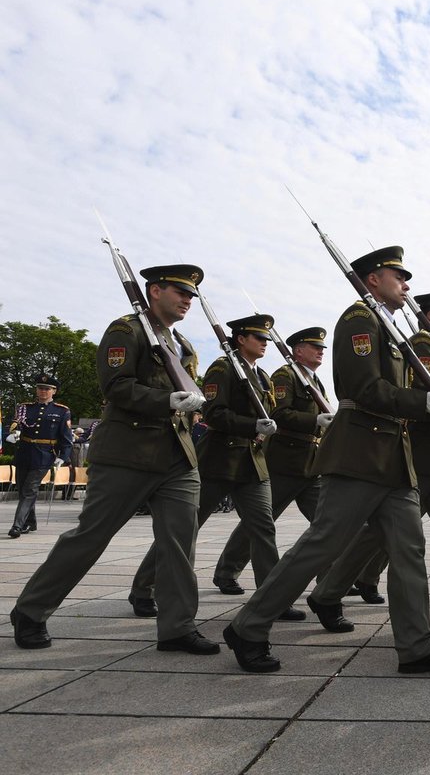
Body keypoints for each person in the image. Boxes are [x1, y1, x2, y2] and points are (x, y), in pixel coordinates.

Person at [223, 246, 430, 675]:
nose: (407, 284)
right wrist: (425, 403)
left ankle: (416, 646)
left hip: (393, 457)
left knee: (410, 550)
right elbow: (363, 388)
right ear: (373, 279)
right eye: (398, 275)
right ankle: (248, 625)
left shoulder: (386, 326)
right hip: (360, 451)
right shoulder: (360, 319)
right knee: (322, 544)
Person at [11, 265, 219, 655]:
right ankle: (31, 610)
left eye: (192, 294)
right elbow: (116, 385)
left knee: (179, 543)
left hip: (178, 455)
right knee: (91, 537)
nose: (188, 299)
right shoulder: (126, 330)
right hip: (129, 451)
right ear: (155, 291)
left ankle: (177, 626)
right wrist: (166, 400)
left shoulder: (183, 346)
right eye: (180, 291)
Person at [307, 289, 430, 630]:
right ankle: (329, 591)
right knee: (380, 532)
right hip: (424, 457)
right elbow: (425, 404)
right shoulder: (424, 346)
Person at [128, 314, 300, 620]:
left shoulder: (262, 377)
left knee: (263, 530)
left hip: (253, 463)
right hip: (219, 460)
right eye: (259, 338)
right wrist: (252, 425)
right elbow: (214, 413)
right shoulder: (224, 368)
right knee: (185, 530)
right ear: (241, 339)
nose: (264, 343)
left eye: (266, 339)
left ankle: (272, 598)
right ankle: (144, 588)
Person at [212, 327, 333, 594]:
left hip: (311, 463)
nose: (321, 351)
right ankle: (227, 570)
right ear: (298, 351)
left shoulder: (315, 380)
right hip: (284, 462)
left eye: (322, 348)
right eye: (315, 347)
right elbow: (280, 413)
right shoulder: (285, 375)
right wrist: (314, 420)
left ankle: (331, 579)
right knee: (259, 524)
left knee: (326, 523)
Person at [7, 373, 74, 537]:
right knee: (23, 488)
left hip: (44, 455)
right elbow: (15, 425)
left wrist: (62, 456)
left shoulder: (61, 411)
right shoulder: (24, 408)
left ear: (54, 391)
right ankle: (31, 522)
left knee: (29, 489)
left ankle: (17, 526)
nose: (42, 391)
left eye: (46, 389)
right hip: (24, 452)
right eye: (40, 388)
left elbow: (66, 437)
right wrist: (14, 433)